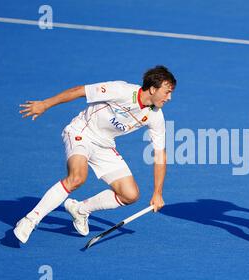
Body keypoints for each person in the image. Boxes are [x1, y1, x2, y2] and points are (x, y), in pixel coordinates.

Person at [13, 65, 176, 244]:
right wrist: (45, 104)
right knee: (77, 177)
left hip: (104, 146)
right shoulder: (120, 90)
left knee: (130, 195)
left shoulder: (155, 116)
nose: (169, 98)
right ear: (153, 89)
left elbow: (160, 154)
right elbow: (80, 91)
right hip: (82, 132)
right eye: (167, 92)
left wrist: (157, 192)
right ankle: (30, 220)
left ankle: (80, 209)